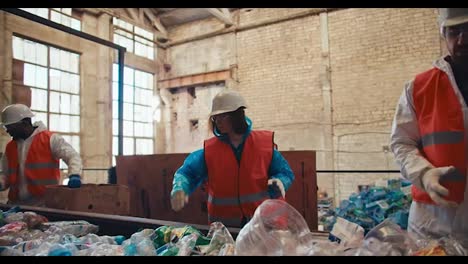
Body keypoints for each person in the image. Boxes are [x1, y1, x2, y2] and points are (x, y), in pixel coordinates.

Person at [390, 8, 468, 241]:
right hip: (433, 223)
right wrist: (424, 174)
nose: (462, 39)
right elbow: (401, 143)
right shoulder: (419, 88)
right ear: (444, 34)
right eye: (454, 31)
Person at [170, 90, 295, 228]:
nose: (218, 122)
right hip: (225, 229)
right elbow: (187, 173)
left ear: (237, 115)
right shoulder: (210, 151)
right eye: (215, 118)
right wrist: (180, 188)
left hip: (261, 226)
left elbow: (285, 172)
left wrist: (281, 182)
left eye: (223, 116)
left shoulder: (263, 145)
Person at [0, 104, 83, 206]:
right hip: (16, 205)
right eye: (6, 127)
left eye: (10, 127)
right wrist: (1, 182)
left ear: (25, 122)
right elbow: (6, 174)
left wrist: (74, 174)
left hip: (44, 204)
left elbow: (72, 156)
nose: (7, 131)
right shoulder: (10, 147)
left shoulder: (50, 139)